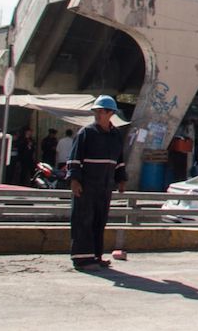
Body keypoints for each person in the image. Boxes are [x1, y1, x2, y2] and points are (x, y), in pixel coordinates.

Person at [67, 95, 127, 271]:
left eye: (101, 112)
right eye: (96, 112)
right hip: (87, 185)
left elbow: (119, 160)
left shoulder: (116, 135)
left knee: (99, 221)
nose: (98, 115)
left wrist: (121, 179)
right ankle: (81, 259)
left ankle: (95, 256)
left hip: (105, 185)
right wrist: (75, 180)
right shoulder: (86, 133)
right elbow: (75, 158)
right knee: (83, 219)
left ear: (110, 113)